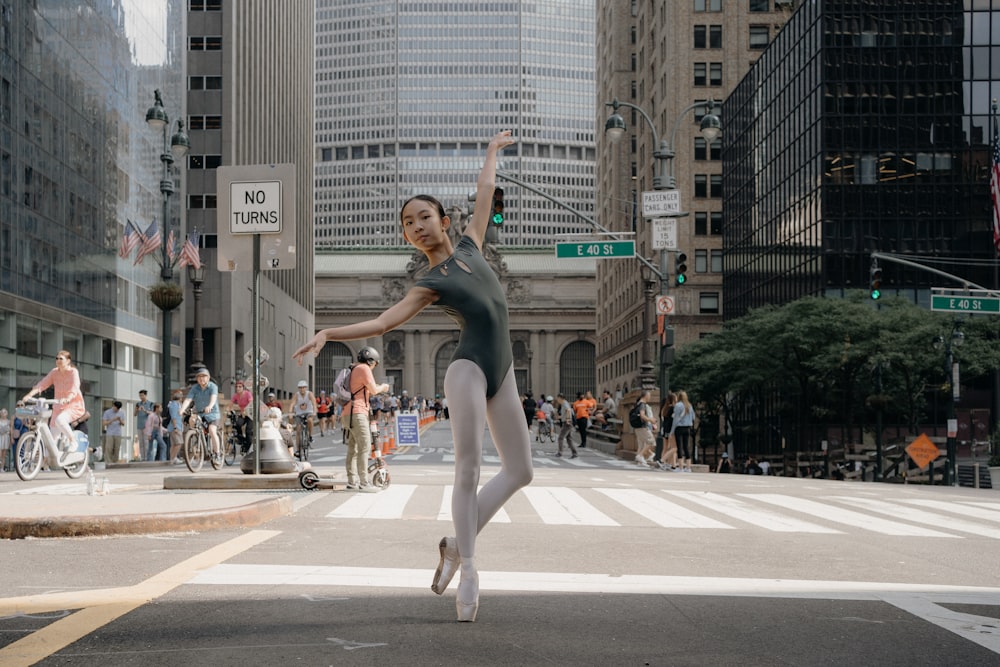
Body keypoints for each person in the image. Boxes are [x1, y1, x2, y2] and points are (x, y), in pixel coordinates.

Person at [293, 130, 532, 623]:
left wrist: (489, 154)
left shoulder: (472, 246)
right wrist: (329, 331)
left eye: (424, 217)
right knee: (469, 467)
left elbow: (484, 196)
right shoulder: (428, 282)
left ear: (445, 221)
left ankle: (452, 545)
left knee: (522, 470)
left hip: (502, 370)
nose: (417, 226)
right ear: (406, 236)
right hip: (466, 369)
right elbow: (383, 322)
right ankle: (470, 570)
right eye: (408, 223)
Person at [337, 347, 390, 491]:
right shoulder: (364, 369)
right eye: (375, 364)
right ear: (371, 360)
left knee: (353, 449)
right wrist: (384, 387)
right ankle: (364, 482)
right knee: (365, 446)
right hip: (358, 412)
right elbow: (373, 390)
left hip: (349, 412)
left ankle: (352, 481)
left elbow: (366, 389)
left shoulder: (355, 368)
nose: (374, 367)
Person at [22, 350, 88, 454]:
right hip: (58, 407)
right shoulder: (54, 372)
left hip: (73, 405)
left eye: (61, 358)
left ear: (68, 361)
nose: (58, 360)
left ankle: (73, 441)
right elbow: (42, 384)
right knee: (52, 438)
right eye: (56, 358)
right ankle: (43, 460)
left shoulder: (73, 372)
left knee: (60, 420)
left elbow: (75, 387)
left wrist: (68, 398)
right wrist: (29, 395)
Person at [180, 368, 221, 462]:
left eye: (204, 376)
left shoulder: (213, 386)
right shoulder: (195, 388)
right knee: (192, 420)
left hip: (213, 414)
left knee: (211, 430)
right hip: (200, 414)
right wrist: (182, 409)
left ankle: (217, 454)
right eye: (199, 377)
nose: (201, 379)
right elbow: (188, 399)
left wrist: (210, 406)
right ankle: (195, 441)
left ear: (208, 377)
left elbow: (213, 398)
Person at [670, 390, 696, 473]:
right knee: (686, 447)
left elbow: (676, 419)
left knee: (679, 447)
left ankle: (680, 467)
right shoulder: (689, 406)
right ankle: (688, 467)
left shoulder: (678, 405)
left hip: (679, 428)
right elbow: (693, 417)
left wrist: (672, 431)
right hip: (687, 428)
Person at [633, 390, 657, 467]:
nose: (649, 397)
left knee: (641, 444)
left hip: (637, 427)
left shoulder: (637, 404)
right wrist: (651, 420)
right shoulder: (642, 405)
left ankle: (640, 462)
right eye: (649, 396)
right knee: (651, 442)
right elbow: (642, 416)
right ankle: (640, 456)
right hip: (643, 426)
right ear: (645, 396)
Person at [656, 393, 678, 470]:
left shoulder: (665, 408)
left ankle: (671, 464)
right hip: (671, 430)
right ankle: (664, 461)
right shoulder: (673, 408)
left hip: (665, 429)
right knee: (674, 448)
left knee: (665, 447)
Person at [292, 380, 316, 448]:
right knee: (298, 430)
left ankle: (310, 435)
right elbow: (292, 403)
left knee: (310, 420)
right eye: (300, 388)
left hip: (309, 412)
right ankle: (298, 449)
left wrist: (314, 412)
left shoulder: (309, 394)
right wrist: (290, 412)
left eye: (303, 387)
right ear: (298, 388)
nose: (302, 389)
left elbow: (314, 403)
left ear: (306, 388)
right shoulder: (297, 395)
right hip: (299, 413)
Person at [231, 380, 254, 450]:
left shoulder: (248, 394)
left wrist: (246, 411)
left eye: (240, 387)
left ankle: (248, 446)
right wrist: (227, 410)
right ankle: (242, 439)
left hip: (250, 414)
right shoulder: (236, 395)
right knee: (237, 424)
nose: (238, 388)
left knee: (248, 431)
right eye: (237, 387)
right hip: (243, 414)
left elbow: (251, 403)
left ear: (243, 387)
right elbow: (230, 404)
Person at [553, 393, 577, 458]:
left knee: (560, 438)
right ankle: (574, 453)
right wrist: (560, 417)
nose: (557, 400)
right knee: (569, 438)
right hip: (567, 422)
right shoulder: (564, 404)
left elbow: (568, 410)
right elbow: (566, 413)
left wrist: (568, 420)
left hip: (567, 423)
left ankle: (560, 452)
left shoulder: (565, 403)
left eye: (558, 398)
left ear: (560, 398)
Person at [134, 389, 154, 462]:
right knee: (141, 442)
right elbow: (134, 414)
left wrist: (144, 410)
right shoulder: (138, 404)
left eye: (142, 395)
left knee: (146, 443)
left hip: (147, 426)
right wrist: (137, 410)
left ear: (145, 395)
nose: (141, 397)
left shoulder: (151, 404)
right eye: (140, 395)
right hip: (139, 425)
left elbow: (152, 413)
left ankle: (148, 457)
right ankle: (142, 457)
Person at [167, 390, 185, 464]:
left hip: (177, 426)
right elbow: (173, 417)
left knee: (174, 444)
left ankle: (172, 458)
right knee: (179, 443)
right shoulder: (174, 405)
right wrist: (175, 427)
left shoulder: (177, 404)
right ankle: (173, 458)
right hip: (175, 426)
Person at [0, 408, 11, 472]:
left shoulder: (8, 421)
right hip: (0, 437)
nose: (3, 413)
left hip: (6, 438)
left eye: (5, 412)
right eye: (2, 412)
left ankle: (2, 468)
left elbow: (10, 431)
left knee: (4, 454)